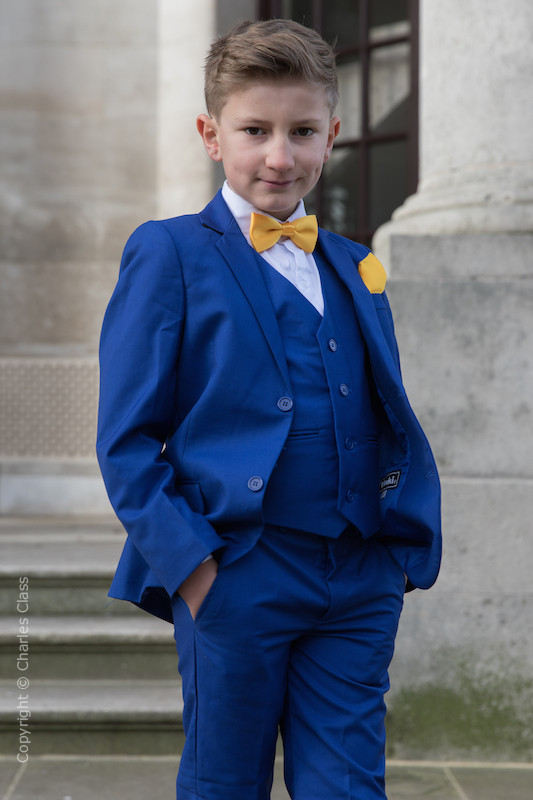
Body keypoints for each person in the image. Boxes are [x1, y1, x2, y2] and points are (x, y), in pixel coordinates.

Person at [96, 18, 441, 800]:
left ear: (333, 136)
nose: (279, 155)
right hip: (236, 571)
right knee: (225, 785)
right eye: (254, 130)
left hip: (357, 573)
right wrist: (193, 570)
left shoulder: (356, 264)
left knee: (349, 787)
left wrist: (391, 555)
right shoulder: (170, 252)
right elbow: (125, 439)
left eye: (302, 131)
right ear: (210, 134)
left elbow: (382, 411)